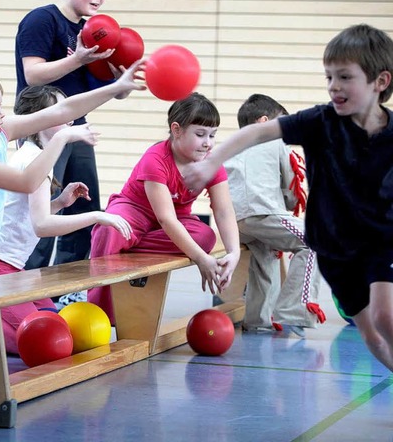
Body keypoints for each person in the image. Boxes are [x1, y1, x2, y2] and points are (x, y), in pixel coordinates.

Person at [183, 24, 393, 370]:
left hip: (379, 241)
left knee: (386, 318)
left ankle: (270, 316)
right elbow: (257, 133)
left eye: (344, 77)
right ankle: (280, 313)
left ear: (380, 82)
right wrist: (211, 163)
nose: (333, 86)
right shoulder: (320, 121)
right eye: (328, 77)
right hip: (335, 249)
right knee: (371, 335)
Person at [0, 61, 144, 276]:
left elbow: (63, 110)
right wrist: (62, 137)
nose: (1, 114)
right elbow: (27, 182)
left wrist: (117, 87)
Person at [0, 85, 133, 354]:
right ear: (40, 117)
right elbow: (41, 226)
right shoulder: (34, 157)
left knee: (57, 327)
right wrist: (97, 216)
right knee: (45, 342)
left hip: (15, 272)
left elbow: (26, 217)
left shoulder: (35, 155)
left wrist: (60, 203)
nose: (69, 118)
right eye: (58, 110)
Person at [89, 92, 241, 323]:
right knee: (109, 229)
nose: (208, 142)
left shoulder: (211, 163)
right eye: (200, 134)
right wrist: (200, 259)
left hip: (173, 221)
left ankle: (129, 245)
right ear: (177, 130)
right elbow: (166, 219)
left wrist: (234, 252)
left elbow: (223, 211)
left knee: (205, 236)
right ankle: (98, 308)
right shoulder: (156, 158)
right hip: (135, 210)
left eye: (212, 135)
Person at [15, 0, 116, 272]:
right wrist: (77, 59)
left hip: (77, 126)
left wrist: (120, 82)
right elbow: (33, 75)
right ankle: (27, 285)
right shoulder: (42, 19)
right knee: (42, 212)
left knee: (83, 202)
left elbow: (98, 88)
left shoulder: (89, 31)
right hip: (42, 127)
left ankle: (67, 292)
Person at [224, 94, 326, 336]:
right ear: (264, 122)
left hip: (233, 220)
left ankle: (258, 320)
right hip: (262, 210)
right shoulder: (274, 142)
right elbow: (293, 190)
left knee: (266, 256)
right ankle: (294, 311)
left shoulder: (230, 146)